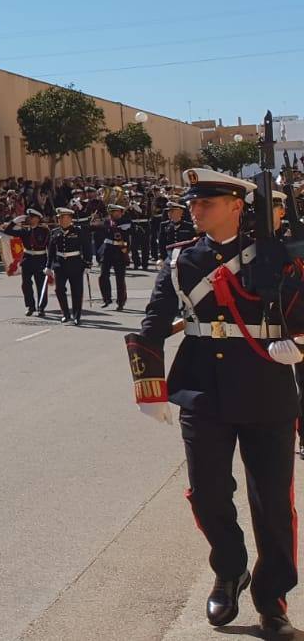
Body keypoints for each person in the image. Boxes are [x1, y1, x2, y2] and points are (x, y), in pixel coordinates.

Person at [124, 169, 304, 638]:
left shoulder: (276, 254)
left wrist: (300, 342)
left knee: (272, 504)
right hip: (202, 388)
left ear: (236, 205)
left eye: (207, 203)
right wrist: (149, 387)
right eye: (194, 203)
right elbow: (154, 321)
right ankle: (229, 571)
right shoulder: (183, 259)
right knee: (207, 493)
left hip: (265, 386)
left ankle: (272, 599)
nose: (196, 209)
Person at [46, 208, 90, 325]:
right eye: (60, 218)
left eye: (65, 218)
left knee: (77, 291)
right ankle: (65, 314)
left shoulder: (78, 231)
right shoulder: (55, 232)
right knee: (59, 289)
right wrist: (48, 266)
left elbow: (87, 247)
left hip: (75, 263)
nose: (62, 221)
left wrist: (87, 263)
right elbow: (51, 251)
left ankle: (77, 316)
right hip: (60, 265)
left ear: (70, 219)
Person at [3, 209, 51, 317]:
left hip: (41, 259)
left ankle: (41, 307)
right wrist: (14, 222)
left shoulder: (44, 231)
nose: (29, 219)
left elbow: (49, 246)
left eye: (32, 217)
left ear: (38, 219)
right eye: (29, 217)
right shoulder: (25, 231)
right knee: (26, 285)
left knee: (41, 285)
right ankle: (30, 306)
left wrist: (50, 261)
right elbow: (7, 231)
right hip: (27, 259)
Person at [98, 203, 132, 311]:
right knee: (103, 275)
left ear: (121, 212)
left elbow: (129, 235)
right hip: (107, 250)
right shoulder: (107, 222)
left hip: (120, 251)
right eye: (112, 212)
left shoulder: (126, 222)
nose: (114, 214)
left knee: (120, 278)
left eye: (117, 212)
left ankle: (121, 302)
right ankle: (106, 299)